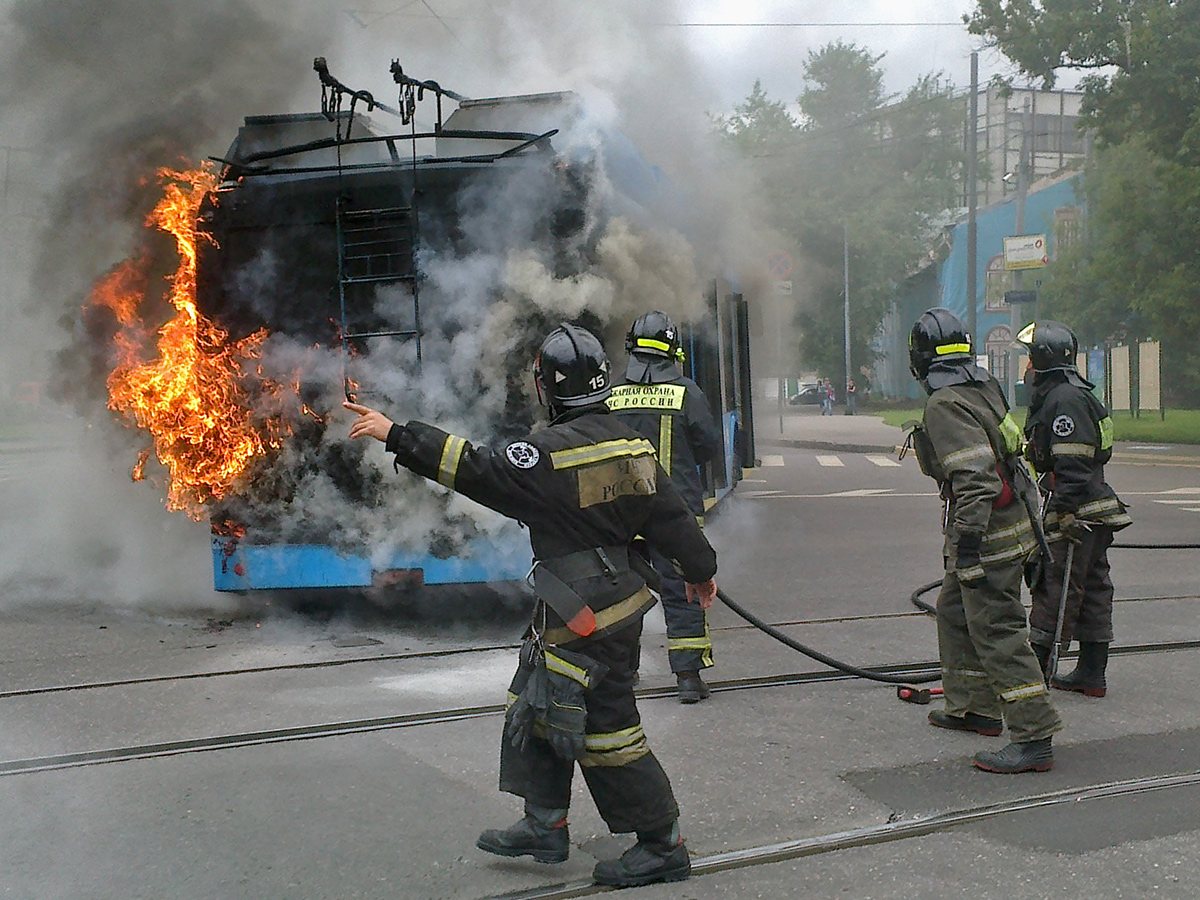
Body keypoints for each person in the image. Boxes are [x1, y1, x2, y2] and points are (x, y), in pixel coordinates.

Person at [345, 322, 718, 888]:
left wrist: (396, 433)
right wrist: (701, 573)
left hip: (583, 618)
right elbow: (672, 520)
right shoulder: (632, 447)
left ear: (548, 388)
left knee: (607, 729)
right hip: (594, 610)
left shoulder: (543, 456)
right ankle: (544, 823)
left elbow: (473, 468)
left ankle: (663, 844)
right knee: (538, 701)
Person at [906, 307, 1062, 773]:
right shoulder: (982, 386)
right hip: (1013, 522)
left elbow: (976, 481)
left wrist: (968, 547)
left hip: (987, 535)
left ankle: (1034, 736)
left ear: (919, 358)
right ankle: (974, 707)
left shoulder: (944, 404)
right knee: (955, 612)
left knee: (998, 630)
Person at [607, 311, 723, 703]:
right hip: (675, 514)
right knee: (684, 590)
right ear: (673, 350)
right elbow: (708, 447)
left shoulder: (611, 394)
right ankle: (688, 678)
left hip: (621, 513)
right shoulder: (687, 392)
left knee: (624, 594)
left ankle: (624, 673)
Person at [1016, 321, 1132, 697]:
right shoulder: (1071, 393)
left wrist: (1063, 514)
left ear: (1043, 360)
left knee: (1057, 588)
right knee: (1094, 587)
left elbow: (1073, 466)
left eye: (1030, 358)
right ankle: (1091, 674)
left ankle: (1034, 679)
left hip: (1078, 514)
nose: (1027, 367)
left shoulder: (1063, 400)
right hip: (1094, 510)